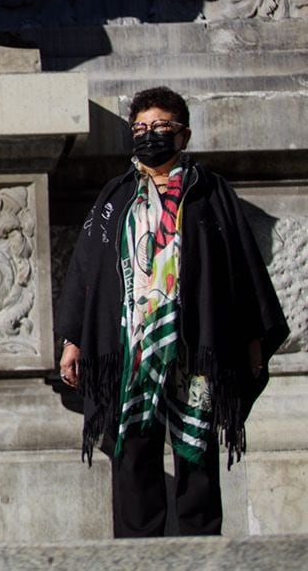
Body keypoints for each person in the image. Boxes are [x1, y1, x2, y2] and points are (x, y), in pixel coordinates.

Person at [57, 87, 287, 537]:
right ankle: (137, 556)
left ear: (183, 136)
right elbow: (88, 270)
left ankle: (200, 549)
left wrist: (253, 343)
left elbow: (242, 271)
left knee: (195, 450)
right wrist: (73, 340)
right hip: (133, 345)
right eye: (140, 128)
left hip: (195, 345)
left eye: (161, 127)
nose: (149, 136)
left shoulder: (211, 192)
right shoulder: (115, 197)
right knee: (134, 451)